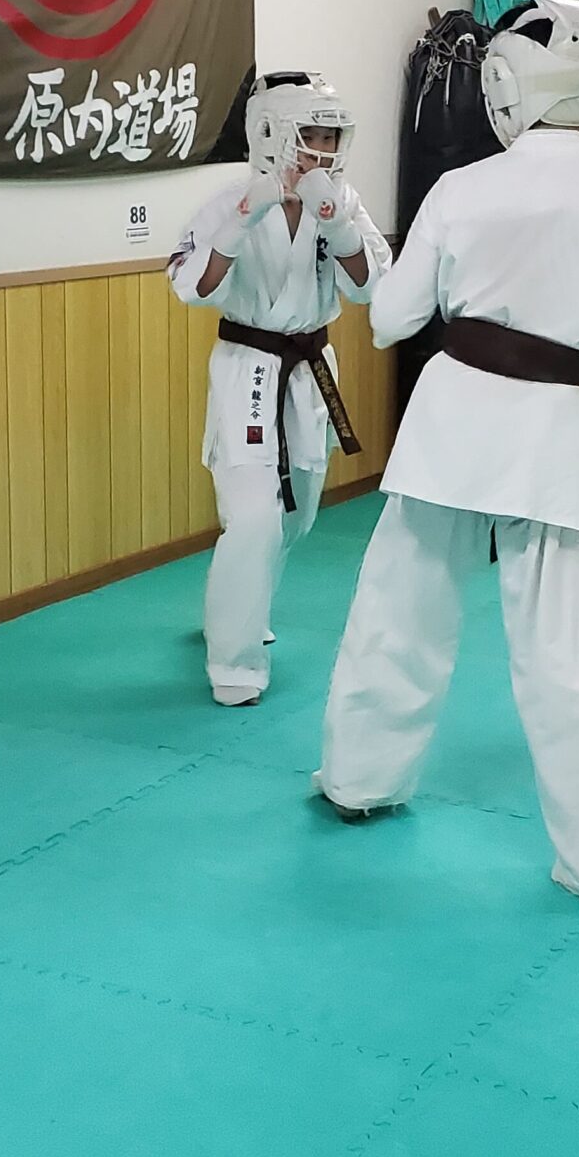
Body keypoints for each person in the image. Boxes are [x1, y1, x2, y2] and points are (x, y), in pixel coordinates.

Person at [316, 0, 579, 908]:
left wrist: (487, 309)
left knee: (398, 613)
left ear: (507, 84)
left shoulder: (460, 188)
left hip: (448, 425)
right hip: (553, 436)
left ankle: (358, 781)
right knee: (576, 655)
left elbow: (393, 320)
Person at [168, 72, 388, 707]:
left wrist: (336, 223)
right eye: (313, 135)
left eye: (332, 137)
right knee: (254, 516)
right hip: (248, 366)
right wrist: (247, 217)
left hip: (311, 368)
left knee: (296, 513)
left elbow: (371, 286)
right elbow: (194, 288)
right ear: (272, 135)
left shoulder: (345, 202)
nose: (324, 150)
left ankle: (240, 603)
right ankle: (233, 662)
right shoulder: (228, 201)